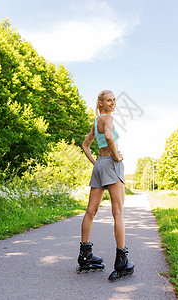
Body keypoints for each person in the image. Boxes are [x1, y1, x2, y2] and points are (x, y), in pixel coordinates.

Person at [76, 90, 134, 282]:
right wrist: (117, 157)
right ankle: (122, 261)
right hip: (110, 163)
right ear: (100, 103)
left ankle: (85, 255)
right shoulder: (107, 119)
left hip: (100, 164)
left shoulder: (96, 121)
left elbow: (85, 145)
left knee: (90, 211)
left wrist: (95, 163)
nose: (113, 103)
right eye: (109, 100)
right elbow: (109, 137)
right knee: (118, 212)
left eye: (114, 100)